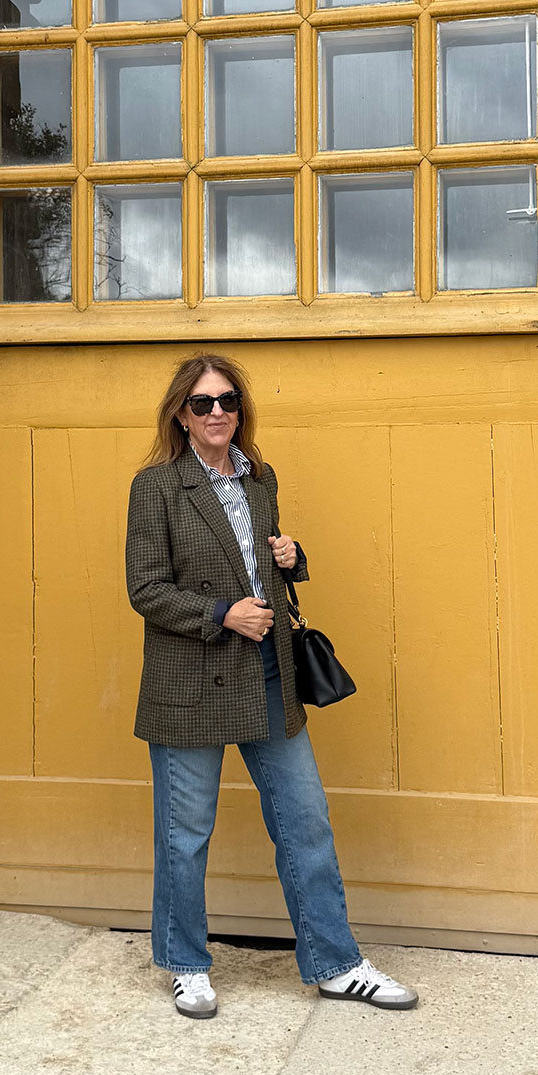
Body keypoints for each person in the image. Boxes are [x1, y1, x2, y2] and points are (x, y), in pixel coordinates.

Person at [125, 352, 418, 1020]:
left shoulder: (261, 479)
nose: (217, 413)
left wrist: (293, 559)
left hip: (266, 673)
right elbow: (144, 588)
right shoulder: (157, 487)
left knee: (305, 820)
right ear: (181, 412)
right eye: (202, 403)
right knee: (185, 832)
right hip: (193, 679)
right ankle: (187, 965)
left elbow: (263, 571)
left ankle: (337, 963)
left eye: (228, 400)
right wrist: (220, 613)